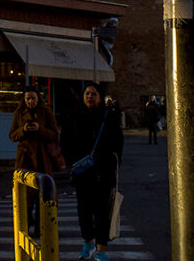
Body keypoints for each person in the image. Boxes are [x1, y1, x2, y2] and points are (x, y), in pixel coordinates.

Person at [62, 82, 123, 261]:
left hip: (103, 172)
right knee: (84, 210)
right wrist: (71, 164)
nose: (89, 96)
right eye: (87, 93)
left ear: (100, 97)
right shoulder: (74, 116)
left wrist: (113, 161)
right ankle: (88, 242)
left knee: (103, 211)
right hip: (82, 172)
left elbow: (118, 142)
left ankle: (101, 249)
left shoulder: (108, 116)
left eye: (93, 94)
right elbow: (65, 141)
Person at [8, 86, 59, 235]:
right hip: (25, 158)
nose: (31, 101)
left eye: (33, 98)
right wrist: (23, 130)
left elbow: (54, 134)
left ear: (38, 99)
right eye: (28, 98)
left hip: (43, 158)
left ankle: (40, 226)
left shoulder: (46, 112)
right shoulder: (19, 113)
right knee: (26, 194)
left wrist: (40, 129)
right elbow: (12, 135)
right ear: (24, 100)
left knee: (42, 193)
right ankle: (27, 223)